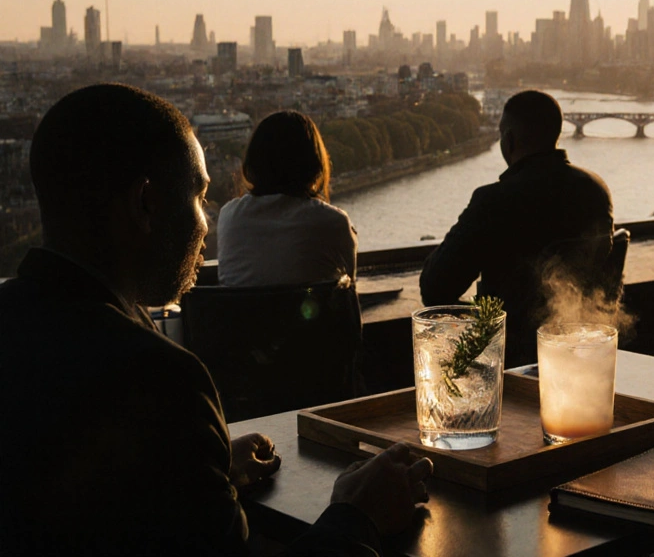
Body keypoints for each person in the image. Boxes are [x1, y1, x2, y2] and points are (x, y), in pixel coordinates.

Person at [0, 84, 431, 556]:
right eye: (200, 198)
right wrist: (357, 513)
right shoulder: (162, 380)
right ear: (147, 204)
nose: (208, 222)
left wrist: (204, 466)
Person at [420, 90, 614, 367]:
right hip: (582, 349)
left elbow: (435, 287)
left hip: (510, 357)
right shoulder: (596, 190)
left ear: (508, 140)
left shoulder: (496, 200)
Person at [217, 110, 358, 287]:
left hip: (243, 315)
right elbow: (350, 284)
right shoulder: (334, 222)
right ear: (313, 164)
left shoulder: (229, 216)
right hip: (309, 314)